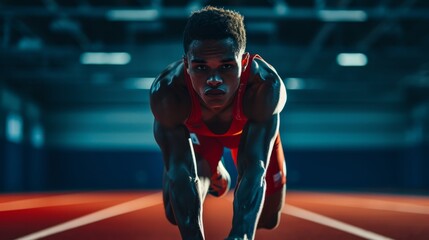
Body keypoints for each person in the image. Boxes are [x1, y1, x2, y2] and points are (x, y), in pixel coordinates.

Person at [150, 6, 287, 240]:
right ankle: (211, 169)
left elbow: (254, 167)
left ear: (243, 63)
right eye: (201, 67)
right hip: (199, 137)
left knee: (267, 219)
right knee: (175, 213)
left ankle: (212, 168)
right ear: (186, 64)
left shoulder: (264, 87)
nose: (213, 80)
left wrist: (241, 235)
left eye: (226, 67)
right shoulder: (168, 93)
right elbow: (180, 173)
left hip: (247, 137)